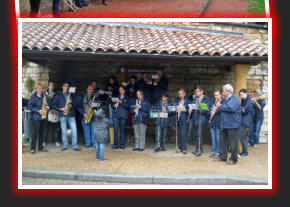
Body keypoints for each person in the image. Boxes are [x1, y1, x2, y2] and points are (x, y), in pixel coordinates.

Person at [215, 84, 242, 165]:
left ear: (229, 91)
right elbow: (223, 108)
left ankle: (233, 159)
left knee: (233, 142)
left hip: (232, 124)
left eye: (223, 91)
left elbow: (231, 108)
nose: (222, 92)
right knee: (222, 141)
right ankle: (223, 156)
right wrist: (219, 107)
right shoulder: (225, 99)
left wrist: (220, 106)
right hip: (224, 124)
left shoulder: (235, 99)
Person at [52, 82, 82, 151]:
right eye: (65, 86)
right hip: (63, 115)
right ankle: (65, 145)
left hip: (71, 115)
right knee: (64, 131)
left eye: (67, 86)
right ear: (62, 87)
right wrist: (60, 109)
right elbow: (53, 105)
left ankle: (75, 146)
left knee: (74, 130)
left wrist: (72, 102)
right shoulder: (58, 96)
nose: (67, 87)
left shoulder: (71, 95)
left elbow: (76, 105)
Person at [27, 85, 48, 154]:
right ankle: (32, 148)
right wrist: (38, 110)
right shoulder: (33, 97)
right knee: (36, 133)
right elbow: (29, 106)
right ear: (36, 89)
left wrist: (46, 104)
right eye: (39, 88)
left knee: (42, 133)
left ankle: (40, 147)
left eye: (41, 88)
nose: (41, 90)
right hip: (36, 117)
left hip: (43, 117)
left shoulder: (43, 97)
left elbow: (47, 106)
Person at [191, 87, 211, 157]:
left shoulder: (206, 99)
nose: (196, 93)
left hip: (201, 119)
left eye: (198, 91)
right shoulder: (195, 99)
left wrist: (199, 108)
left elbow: (207, 110)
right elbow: (193, 108)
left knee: (200, 135)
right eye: (196, 92)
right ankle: (197, 149)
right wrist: (191, 109)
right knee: (196, 135)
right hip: (195, 119)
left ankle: (199, 150)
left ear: (202, 92)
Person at [43, 82, 61, 147]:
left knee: (55, 128)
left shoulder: (56, 94)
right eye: (50, 85)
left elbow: (55, 104)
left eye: (52, 85)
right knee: (46, 128)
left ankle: (56, 141)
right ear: (48, 86)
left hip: (54, 113)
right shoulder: (45, 94)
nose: (51, 86)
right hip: (47, 113)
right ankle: (44, 141)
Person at [208, 90, 225, 158]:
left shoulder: (223, 102)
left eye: (217, 95)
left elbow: (224, 110)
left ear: (220, 95)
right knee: (213, 138)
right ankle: (214, 152)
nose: (216, 97)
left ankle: (218, 152)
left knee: (218, 138)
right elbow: (209, 110)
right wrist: (211, 111)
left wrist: (218, 108)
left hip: (219, 122)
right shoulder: (213, 101)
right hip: (212, 122)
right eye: (215, 95)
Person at [239, 89, 254, 157]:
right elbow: (241, 109)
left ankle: (245, 153)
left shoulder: (249, 100)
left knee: (242, 136)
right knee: (242, 136)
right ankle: (244, 152)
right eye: (240, 95)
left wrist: (240, 109)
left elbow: (244, 110)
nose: (241, 96)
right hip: (243, 120)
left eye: (242, 94)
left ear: (246, 93)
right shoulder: (244, 100)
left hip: (245, 120)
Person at [173, 89, 189, 154]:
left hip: (184, 119)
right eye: (179, 94)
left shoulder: (187, 101)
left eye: (181, 93)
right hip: (177, 119)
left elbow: (189, 110)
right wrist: (175, 108)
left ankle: (184, 149)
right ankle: (179, 148)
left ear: (184, 94)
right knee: (178, 135)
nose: (180, 95)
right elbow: (173, 108)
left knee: (183, 134)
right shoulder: (177, 100)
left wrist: (185, 109)